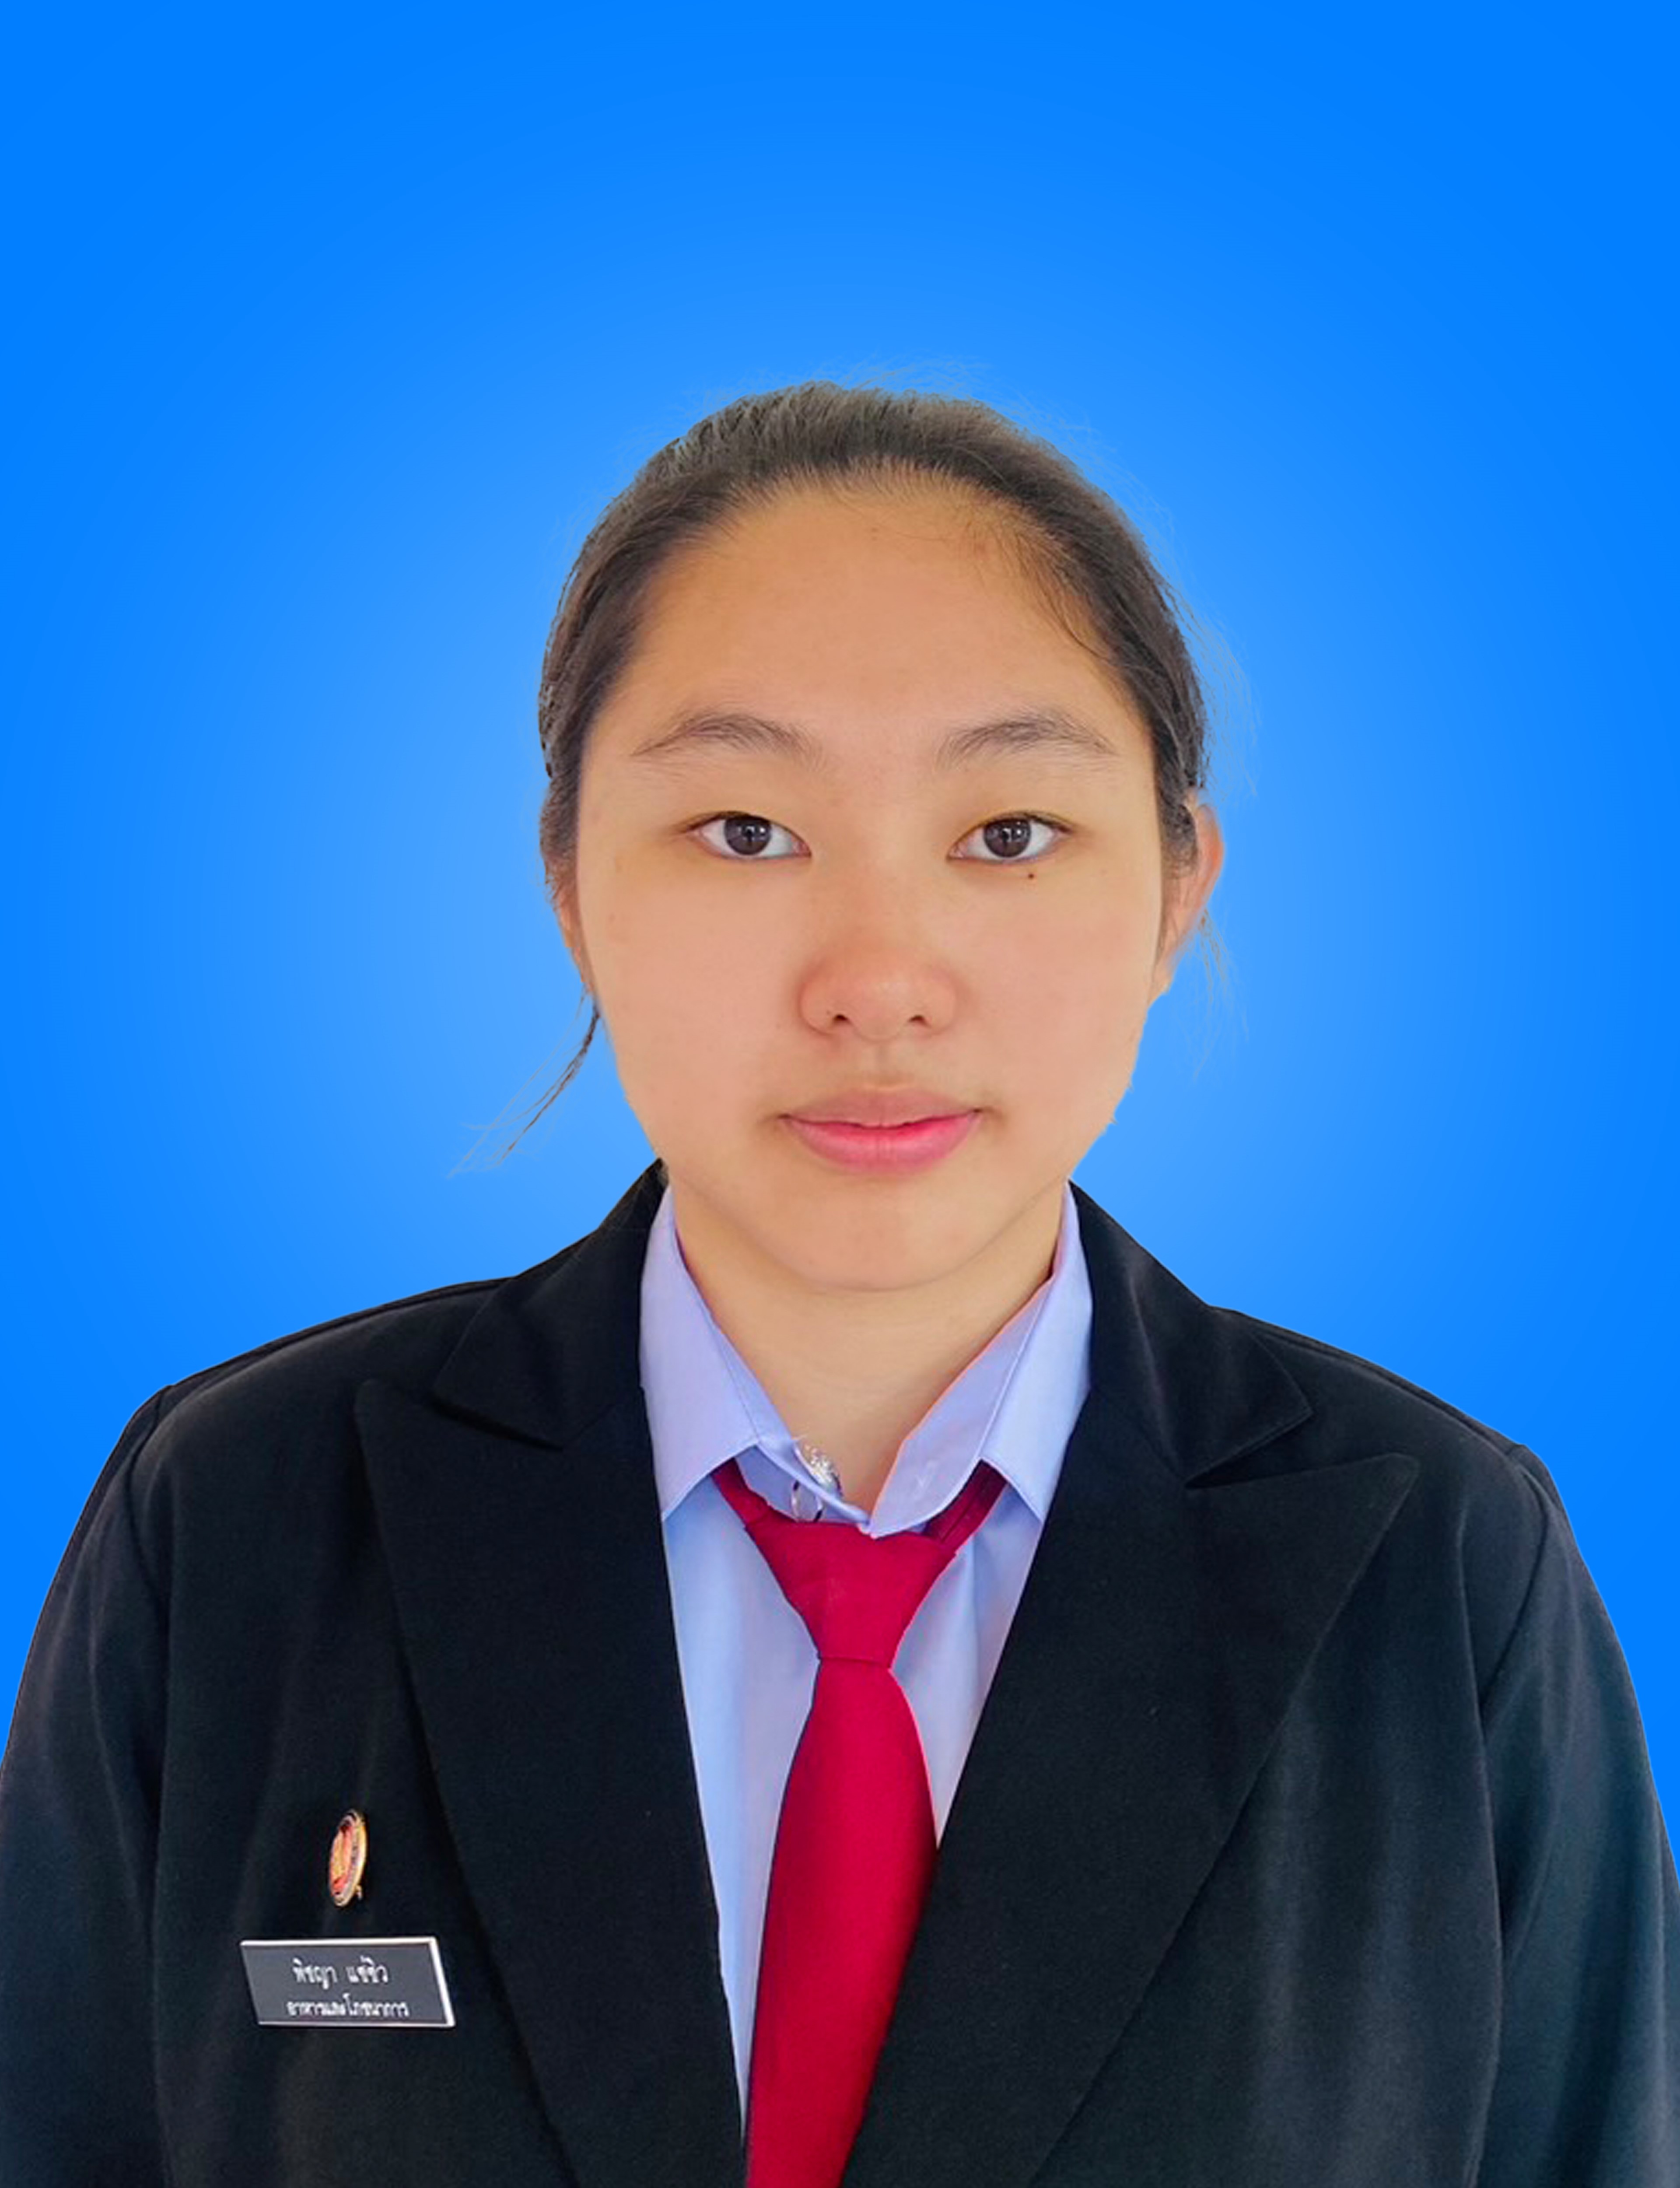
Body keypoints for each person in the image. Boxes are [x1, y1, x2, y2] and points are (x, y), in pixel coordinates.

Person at [1, 379, 1675, 2188]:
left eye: (1009, 833)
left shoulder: (1441, 1562)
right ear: (567, 879)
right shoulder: (238, 1513)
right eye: (746, 829)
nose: (879, 979)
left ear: (1180, 885)